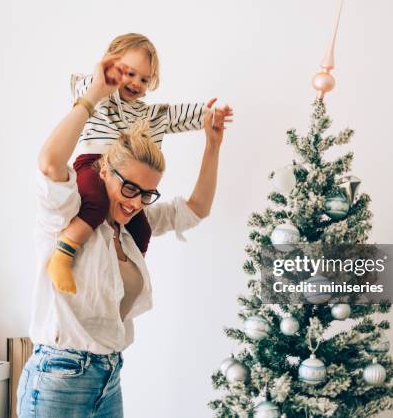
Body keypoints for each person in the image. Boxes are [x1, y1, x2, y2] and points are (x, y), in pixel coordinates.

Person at [16, 54, 230, 417]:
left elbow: (196, 209)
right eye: (128, 187)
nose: (135, 202)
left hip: (109, 375)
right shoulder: (67, 213)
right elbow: (51, 162)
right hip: (60, 374)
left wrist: (212, 145)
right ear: (102, 170)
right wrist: (94, 94)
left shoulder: (129, 230)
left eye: (146, 193)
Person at [47, 32, 233, 294]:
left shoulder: (147, 115)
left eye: (145, 79)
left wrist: (209, 114)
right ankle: (64, 252)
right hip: (91, 165)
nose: (136, 83)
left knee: (142, 228)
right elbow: (83, 95)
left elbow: (177, 116)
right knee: (97, 203)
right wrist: (101, 84)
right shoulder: (102, 97)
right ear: (111, 67)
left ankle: (127, 266)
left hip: (112, 333)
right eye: (129, 74)